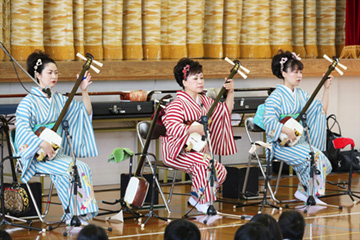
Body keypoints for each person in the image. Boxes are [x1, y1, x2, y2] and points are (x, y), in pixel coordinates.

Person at [15, 50, 98, 224]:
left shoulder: (59, 99)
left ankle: (75, 216)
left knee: (78, 167)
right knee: (72, 168)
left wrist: (84, 91)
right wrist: (40, 143)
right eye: (49, 72)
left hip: (54, 153)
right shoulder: (28, 102)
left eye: (56, 72)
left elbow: (84, 113)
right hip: (35, 155)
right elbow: (22, 129)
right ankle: (74, 216)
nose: (54, 76)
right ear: (37, 75)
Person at [160, 58, 237, 214]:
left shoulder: (204, 101)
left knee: (220, 171)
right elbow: (172, 127)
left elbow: (224, 112)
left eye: (201, 77)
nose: (200, 81)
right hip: (177, 151)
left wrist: (230, 92)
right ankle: (204, 203)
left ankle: (196, 196)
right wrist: (194, 128)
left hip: (197, 151)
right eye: (195, 78)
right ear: (184, 81)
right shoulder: (177, 104)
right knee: (204, 164)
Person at [263, 50, 333, 204]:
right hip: (279, 144)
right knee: (314, 158)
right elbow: (268, 122)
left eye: (300, 72)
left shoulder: (301, 95)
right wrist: (286, 129)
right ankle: (310, 194)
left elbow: (320, 111)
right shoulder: (276, 96)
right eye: (295, 72)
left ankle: (305, 191)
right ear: (283, 73)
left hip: (297, 142)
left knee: (324, 161)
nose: (299, 75)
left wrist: (326, 88)